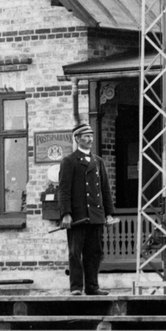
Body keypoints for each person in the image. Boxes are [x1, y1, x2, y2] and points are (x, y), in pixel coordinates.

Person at [56, 123, 118, 295]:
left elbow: (105, 189)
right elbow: (64, 190)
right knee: (75, 252)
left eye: (91, 135)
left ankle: (92, 286)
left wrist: (109, 214)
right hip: (78, 215)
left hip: (96, 216)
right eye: (86, 136)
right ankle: (76, 287)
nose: (90, 139)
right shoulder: (69, 161)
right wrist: (66, 214)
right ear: (77, 139)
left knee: (94, 252)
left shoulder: (98, 161)